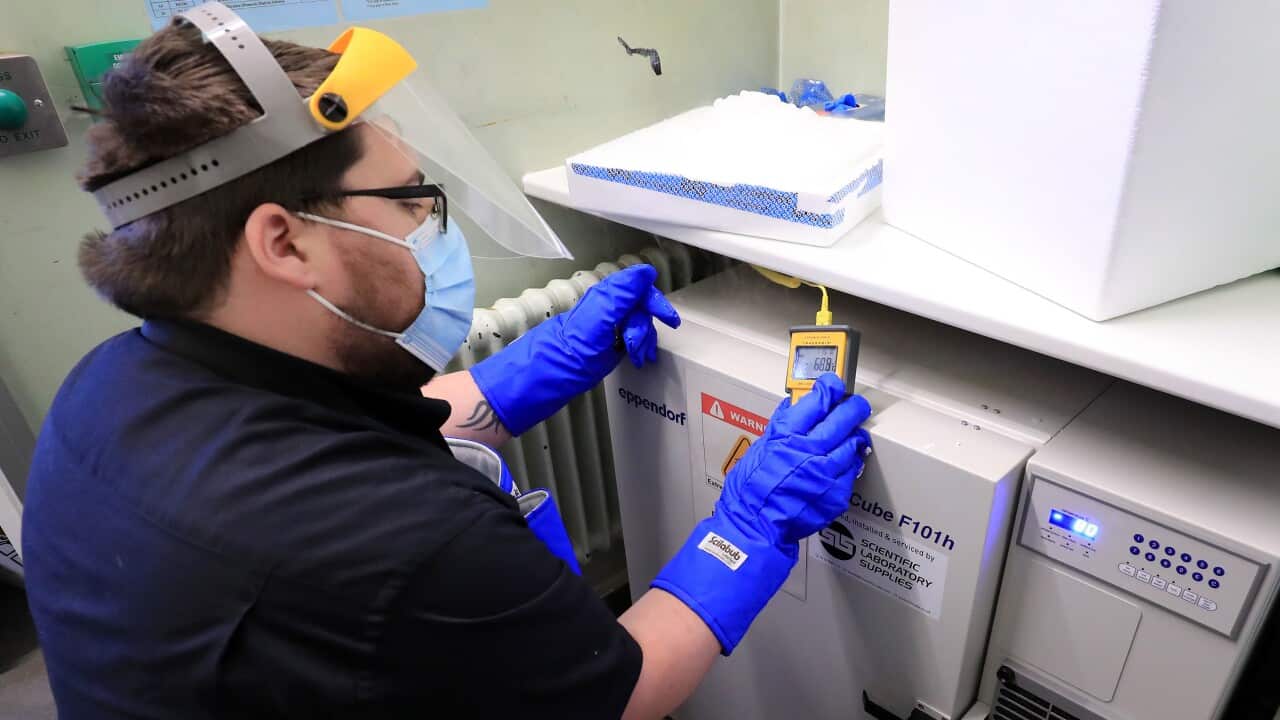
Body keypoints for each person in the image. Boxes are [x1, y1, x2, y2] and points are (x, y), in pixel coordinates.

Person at [22, 5, 873, 719]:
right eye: (411, 203)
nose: (436, 226)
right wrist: (750, 529)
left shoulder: (109, 385)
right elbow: (627, 689)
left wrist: (542, 363)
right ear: (284, 242)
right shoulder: (412, 547)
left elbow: (344, 442)